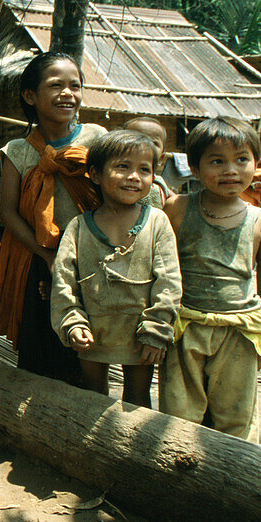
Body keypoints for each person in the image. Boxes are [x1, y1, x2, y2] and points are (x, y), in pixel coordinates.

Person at [0, 51, 107, 385]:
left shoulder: (96, 139)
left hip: (91, 258)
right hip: (40, 258)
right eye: (56, 85)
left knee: (92, 351)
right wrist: (48, 256)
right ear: (30, 95)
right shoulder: (17, 151)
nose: (68, 93)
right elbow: (8, 214)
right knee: (42, 348)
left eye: (75, 86)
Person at [160, 116, 261, 442]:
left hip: (239, 331)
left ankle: (235, 483)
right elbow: (161, 271)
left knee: (236, 419)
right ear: (194, 169)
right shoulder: (177, 209)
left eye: (242, 159)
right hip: (185, 328)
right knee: (179, 416)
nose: (231, 170)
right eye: (217, 161)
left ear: (257, 164)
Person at [51, 130, 182, 407]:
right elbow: (64, 281)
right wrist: (72, 322)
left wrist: (156, 330)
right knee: (93, 396)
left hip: (140, 335)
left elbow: (168, 281)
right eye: (123, 167)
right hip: (93, 334)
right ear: (96, 175)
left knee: (137, 399)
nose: (134, 176)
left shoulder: (157, 222)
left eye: (144, 170)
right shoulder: (79, 227)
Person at [122, 116, 175, 209]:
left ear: (161, 158)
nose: (143, 146)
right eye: (135, 139)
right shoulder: (112, 177)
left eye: (153, 143)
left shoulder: (159, 184)